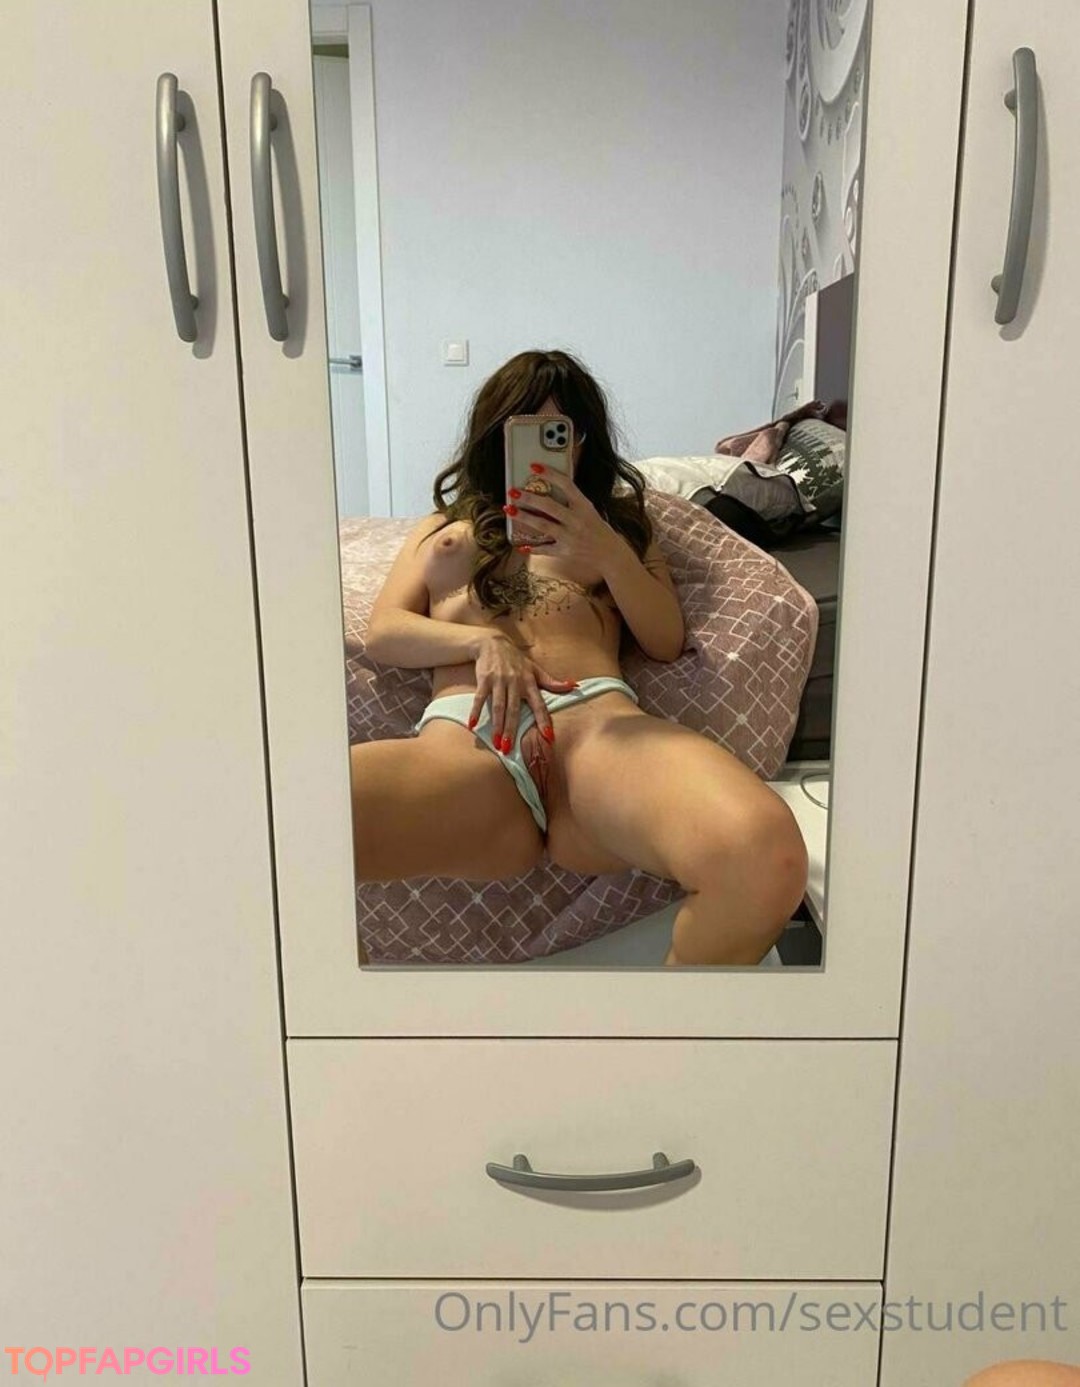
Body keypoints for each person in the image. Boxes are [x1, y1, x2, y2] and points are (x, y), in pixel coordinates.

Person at [349, 349, 808, 965]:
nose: (545, 451)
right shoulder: (442, 529)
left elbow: (663, 640)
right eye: (525, 430)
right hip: (467, 741)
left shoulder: (617, 526)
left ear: (584, 441)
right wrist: (483, 642)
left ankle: (667, 1029)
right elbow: (385, 632)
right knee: (284, 820)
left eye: (559, 433)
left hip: (600, 734)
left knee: (766, 857)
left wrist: (606, 547)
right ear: (495, 435)